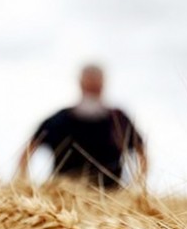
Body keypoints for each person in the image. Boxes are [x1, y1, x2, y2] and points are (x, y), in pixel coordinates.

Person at [17, 64, 147, 189]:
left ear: (103, 84)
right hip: (63, 200)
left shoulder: (118, 120)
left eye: (95, 84)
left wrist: (136, 187)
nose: (92, 88)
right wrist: (24, 184)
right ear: (80, 84)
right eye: (89, 84)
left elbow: (141, 153)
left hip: (110, 199)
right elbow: (28, 150)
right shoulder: (60, 120)